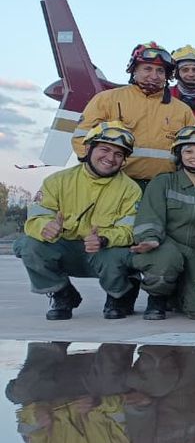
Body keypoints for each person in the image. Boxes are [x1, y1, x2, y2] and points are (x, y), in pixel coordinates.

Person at [19, 122, 141, 320]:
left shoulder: (130, 189)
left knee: (116, 254)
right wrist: (46, 227)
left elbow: (129, 230)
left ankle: (119, 295)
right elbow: (35, 218)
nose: (110, 158)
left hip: (101, 252)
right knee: (28, 245)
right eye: (104, 149)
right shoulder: (56, 181)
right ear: (87, 149)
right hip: (67, 250)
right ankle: (62, 294)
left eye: (119, 154)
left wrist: (103, 239)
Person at [131, 126, 195, 320]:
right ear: (179, 154)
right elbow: (149, 216)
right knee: (166, 261)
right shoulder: (163, 183)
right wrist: (150, 239)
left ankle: (178, 295)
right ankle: (157, 298)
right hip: (166, 245)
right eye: (188, 151)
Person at [75, 42, 195, 184]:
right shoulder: (107, 99)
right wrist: (98, 172)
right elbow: (81, 137)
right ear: (134, 70)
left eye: (160, 71)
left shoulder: (182, 110)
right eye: (147, 69)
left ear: (167, 75)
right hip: (115, 183)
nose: (154, 75)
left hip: (165, 187)